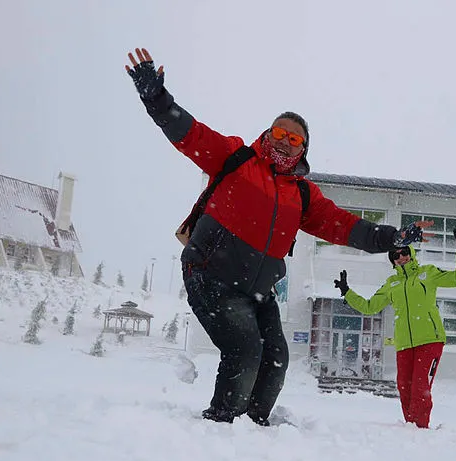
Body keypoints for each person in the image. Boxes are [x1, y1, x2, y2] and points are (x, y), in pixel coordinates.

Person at [125, 48, 430, 426]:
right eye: (280, 133)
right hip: (211, 275)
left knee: (276, 359)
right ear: (268, 133)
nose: (285, 141)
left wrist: (392, 237)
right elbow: (190, 134)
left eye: (294, 139)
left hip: (259, 291)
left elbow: (345, 226)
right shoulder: (236, 157)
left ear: (303, 149)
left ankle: (255, 429)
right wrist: (157, 98)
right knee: (245, 350)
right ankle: (220, 427)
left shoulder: (302, 195)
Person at [333, 227, 456, 428]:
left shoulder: (428, 273)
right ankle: (410, 428)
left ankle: (420, 429)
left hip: (430, 340)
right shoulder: (392, 283)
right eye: (395, 255)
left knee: (419, 387)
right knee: (405, 388)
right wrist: (347, 292)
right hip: (405, 343)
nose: (401, 257)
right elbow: (370, 306)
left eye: (404, 252)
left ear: (411, 253)